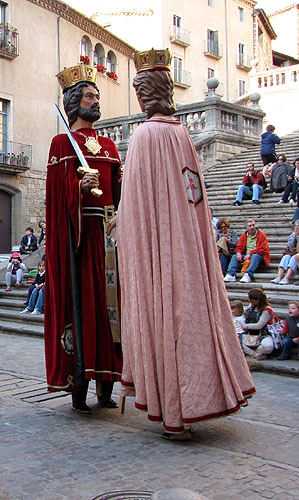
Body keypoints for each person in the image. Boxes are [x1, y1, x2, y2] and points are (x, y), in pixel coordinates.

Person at [116, 49, 255, 440]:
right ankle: (197, 401)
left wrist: (120, 225)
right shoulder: (181, 133)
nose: (140, 98)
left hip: (160, 248)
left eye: (141, 91)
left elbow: (135, 205)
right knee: (191, 315)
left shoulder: (145, 135)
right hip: (187, 245)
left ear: (147, 94)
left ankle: (175, 413)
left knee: (167, 317)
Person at [45, 62, 123, 414]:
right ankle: (79, 389)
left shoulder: (109, 145)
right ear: (75, 102)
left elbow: (119, 193)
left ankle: (108, 387)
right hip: (79, 239)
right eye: (89, 96)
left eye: (96, 96)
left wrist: (121, 190)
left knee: (111, 313)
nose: (95, 100)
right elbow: (55, 196)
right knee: (84, 312)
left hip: (109, 238)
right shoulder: (61, 143)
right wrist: (78, 187)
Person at [223, 219, 270, 283]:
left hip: (259, 256)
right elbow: (239, 247)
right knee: (234, 256)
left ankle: (248, 274)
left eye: (253, 225)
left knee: (255, 256)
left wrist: (250, 254)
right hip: (246, 256)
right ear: (246, 228)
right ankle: (231, 274)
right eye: (250, 226)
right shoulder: (244, 236)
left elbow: (263, 248)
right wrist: (238, 253)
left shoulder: (262, 235)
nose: (252, 227)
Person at [240, 288, 276, 360]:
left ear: (258, 300)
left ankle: (252, 351)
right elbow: (244, 315)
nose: (249, 301)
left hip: (263, 334)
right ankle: (254, 354)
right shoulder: (251, 306)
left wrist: (245, 326)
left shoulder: (267, 310)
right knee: (236, 342)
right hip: (248, 333)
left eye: (251, 299)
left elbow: (259, 325)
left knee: (267, 346)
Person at [271, 221, 299, 285]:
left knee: (294, 258)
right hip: (293, 253)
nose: (297, 228)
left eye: (298, 226)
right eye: (296, 226)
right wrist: (294, 236)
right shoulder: (292, 235)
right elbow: (289, 247)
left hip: (297, 255)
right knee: (286, 257)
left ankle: (286, 278)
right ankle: (279, 277)